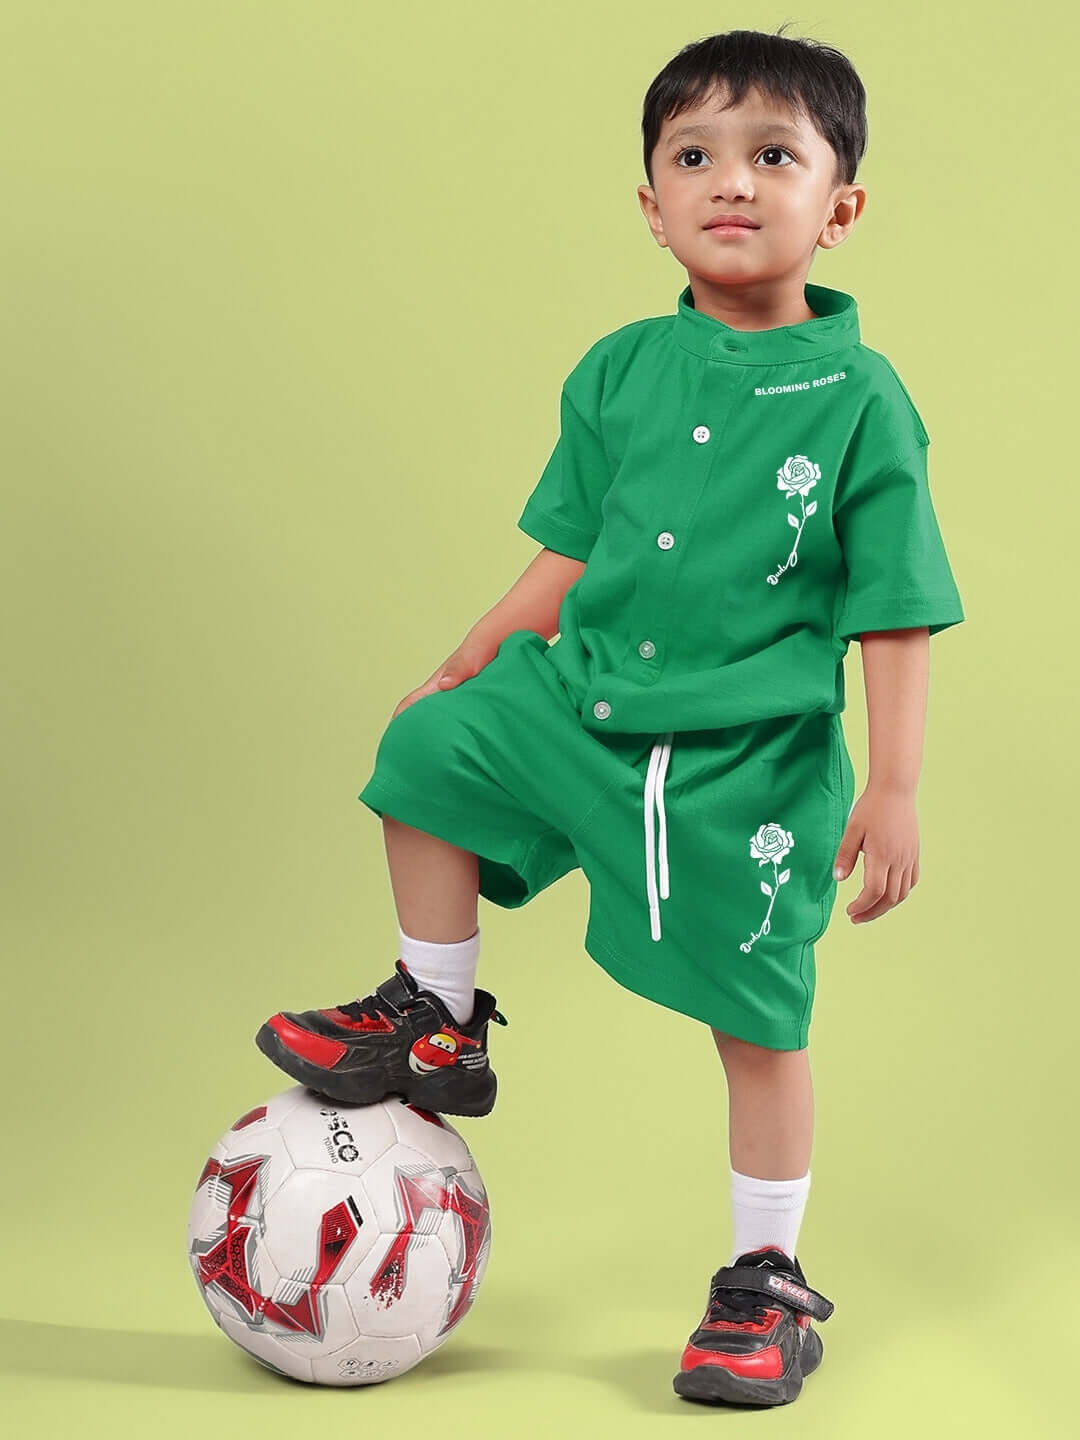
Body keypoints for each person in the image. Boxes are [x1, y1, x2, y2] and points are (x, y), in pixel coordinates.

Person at [254, 25, 964, 1408]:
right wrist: (471, 654)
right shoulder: (618, 369)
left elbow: (894, 606)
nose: (731, 183)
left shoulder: (863, 399)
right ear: (651, 205)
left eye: (775, 156)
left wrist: (895, 784)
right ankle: (436, 1018)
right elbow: (572, 550)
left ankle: (765, 1281)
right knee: (426, 748)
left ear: (841, 207)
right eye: (694, 157)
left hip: (741, 773)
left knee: (760, 1025)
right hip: (583, 707)